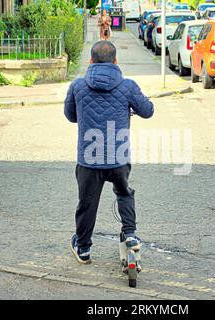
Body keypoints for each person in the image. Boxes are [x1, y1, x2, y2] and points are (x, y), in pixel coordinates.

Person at [64, 41, 154, 265]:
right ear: (115, 61)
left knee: (87, 203)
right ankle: (130, 234)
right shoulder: (128, 86)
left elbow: (71, 116)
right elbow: (148, 111)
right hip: (118, 157)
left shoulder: (77, 86)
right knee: (124, 193)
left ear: (91, 61)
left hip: (88, 159)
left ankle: (83, 248)